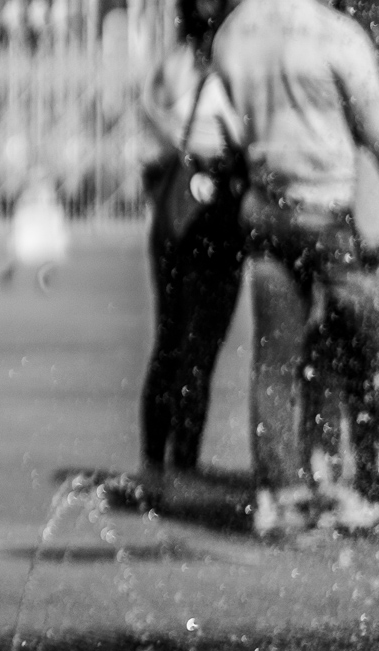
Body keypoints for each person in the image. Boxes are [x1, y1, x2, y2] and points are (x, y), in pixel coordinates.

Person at [216, 0, 379, 535]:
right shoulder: (336, 35)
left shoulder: (237, 30)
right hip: (329, 212)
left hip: (265, 208)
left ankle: (284, 498)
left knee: (275, 363)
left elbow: (229, 131)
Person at [136, 0, 244, 484]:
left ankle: (154, 462)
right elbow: (246, 138)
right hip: (214, 210)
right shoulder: (233, 66)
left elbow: (150, 117)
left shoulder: (172, 64)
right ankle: (183, 463)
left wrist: (179, 138)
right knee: (200, 345)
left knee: (169, 340)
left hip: (173, 211)